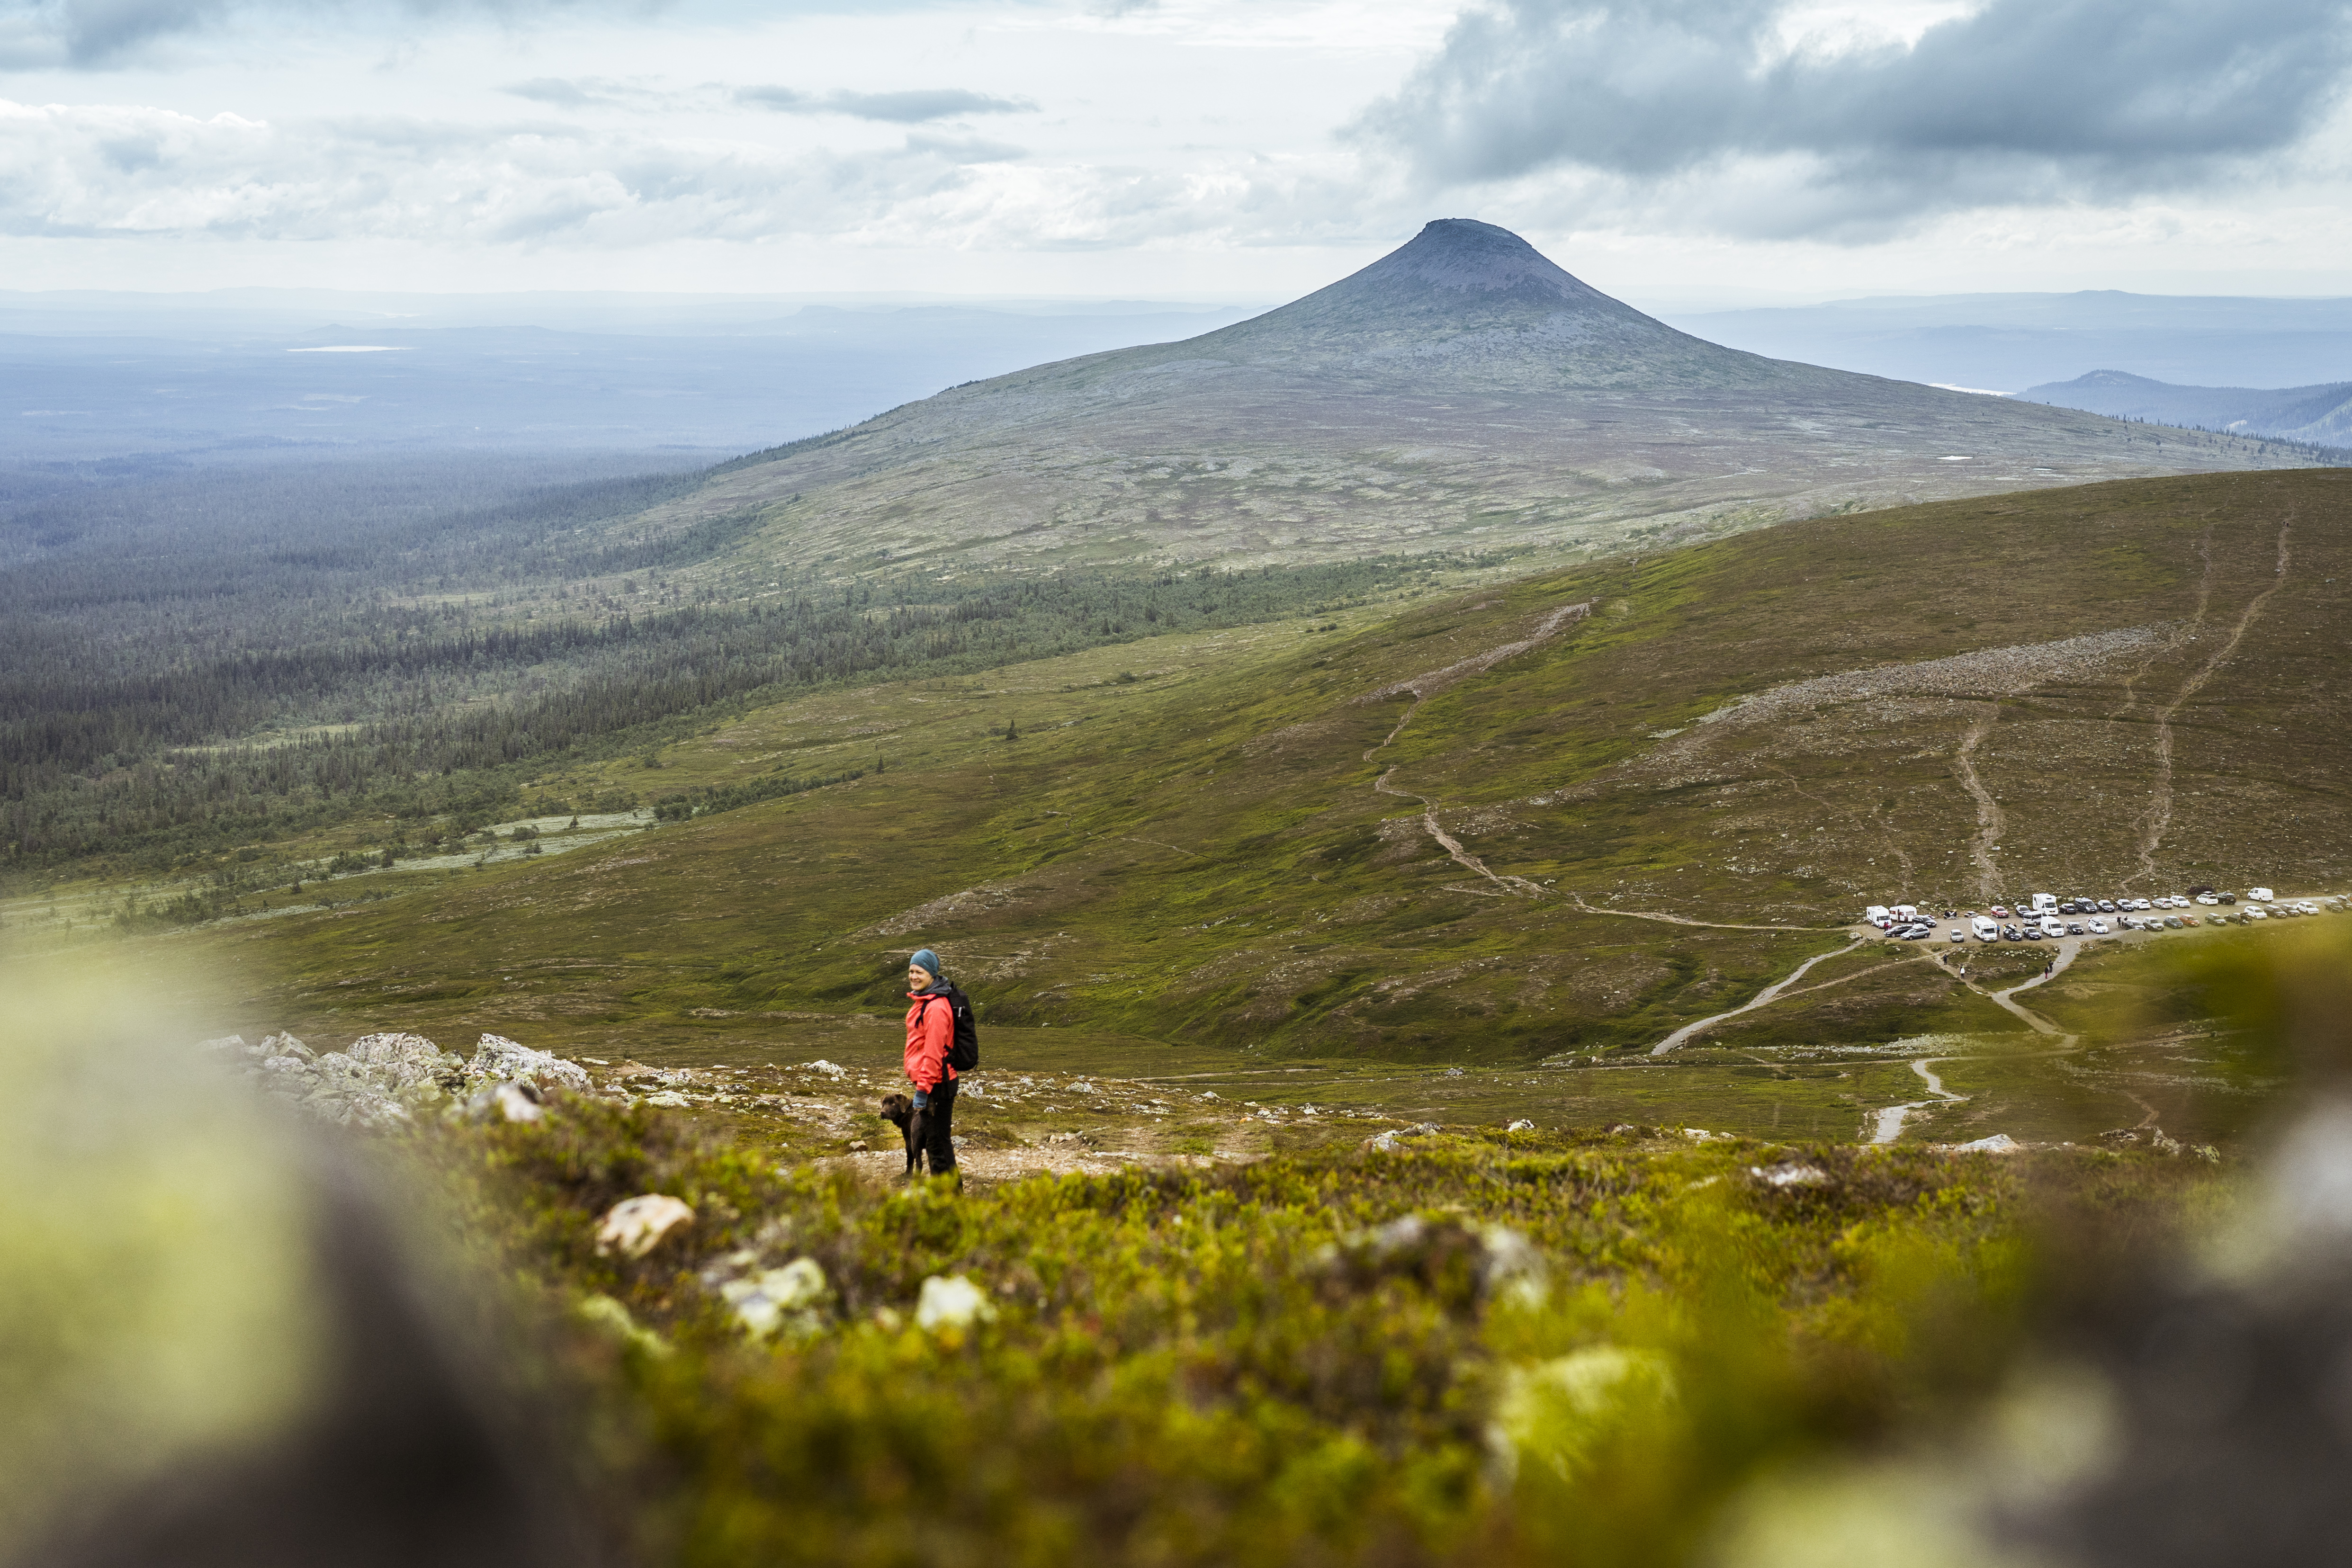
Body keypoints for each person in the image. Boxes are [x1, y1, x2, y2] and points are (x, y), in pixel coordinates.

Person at [902, 948, 959, 1182]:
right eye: (911, 971)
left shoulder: (935, 1007)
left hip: (938, 1084)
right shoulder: (925, 1000)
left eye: (919, 972)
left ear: (932, 974)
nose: (914, 976)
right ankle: (949, 1199)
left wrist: (923, 1091)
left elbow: (934, 1055)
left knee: (937, 1146)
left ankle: (948, 1202)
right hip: (934, 1082)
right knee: (938, 1144)